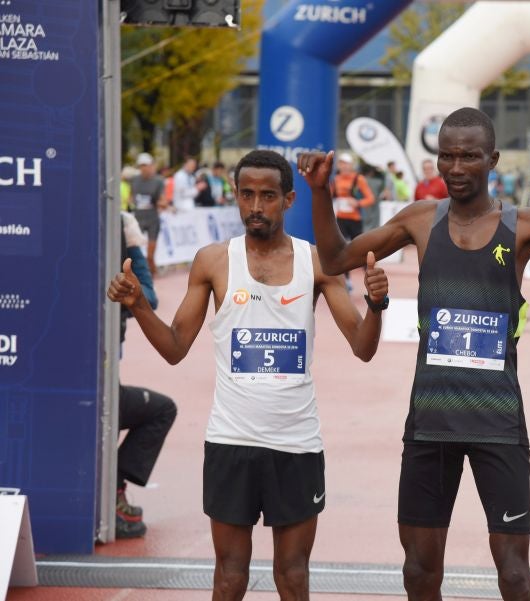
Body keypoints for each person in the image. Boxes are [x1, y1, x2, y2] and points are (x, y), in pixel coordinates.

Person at [298, 107, 530, 601]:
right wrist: (320, 193)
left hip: (498, 421)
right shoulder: (418, 221)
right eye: (446, 157)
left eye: (469, 156)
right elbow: (335, 259)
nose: (456, 168)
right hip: (430, 422)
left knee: (514, 573)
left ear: (492, 159)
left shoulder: (525, 226)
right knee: (418, 569)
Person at [107, 149, 390, 601]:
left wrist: (376, 306)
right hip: (231, 440)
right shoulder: (213, 261)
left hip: (296, 441)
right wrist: (139, 304)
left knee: (293, 576)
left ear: (289, 199)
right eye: (247, 195)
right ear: (235, 197)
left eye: (268, 196)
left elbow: (363, 346)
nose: (256, 207)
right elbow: (176, 348)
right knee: (229, 575)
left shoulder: (317, 263)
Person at [116, 212, 177, 539]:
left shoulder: (117, 226)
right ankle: (112, 492)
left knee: (156, 407)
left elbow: (147, 298)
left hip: (101, 372)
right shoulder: (115, 230)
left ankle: (113, 489)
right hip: (88, 380)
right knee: (159, 409)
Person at [130, 152, 166, 275]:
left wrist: (163, 204)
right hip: (138, 218)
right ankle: (144, 275)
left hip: (152, 219)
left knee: (150, 255)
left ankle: (154, 275)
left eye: (147, 165)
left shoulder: (158, 181)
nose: (145, 168)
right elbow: (130, 196)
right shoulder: (134, 180)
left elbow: (162, 199)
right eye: (142, 165)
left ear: (152, 166)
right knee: (135, 252)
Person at [331, 152, 375, 241]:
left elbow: (371, 199)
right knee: (340, 246)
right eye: (342, 164)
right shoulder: (336, 179)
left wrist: (357, 203)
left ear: (351, 165)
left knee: (357, 246)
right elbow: (329, 196)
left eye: (347, 164)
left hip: (355, 219)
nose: (344, 166)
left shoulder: (359, 179)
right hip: (339, 218)